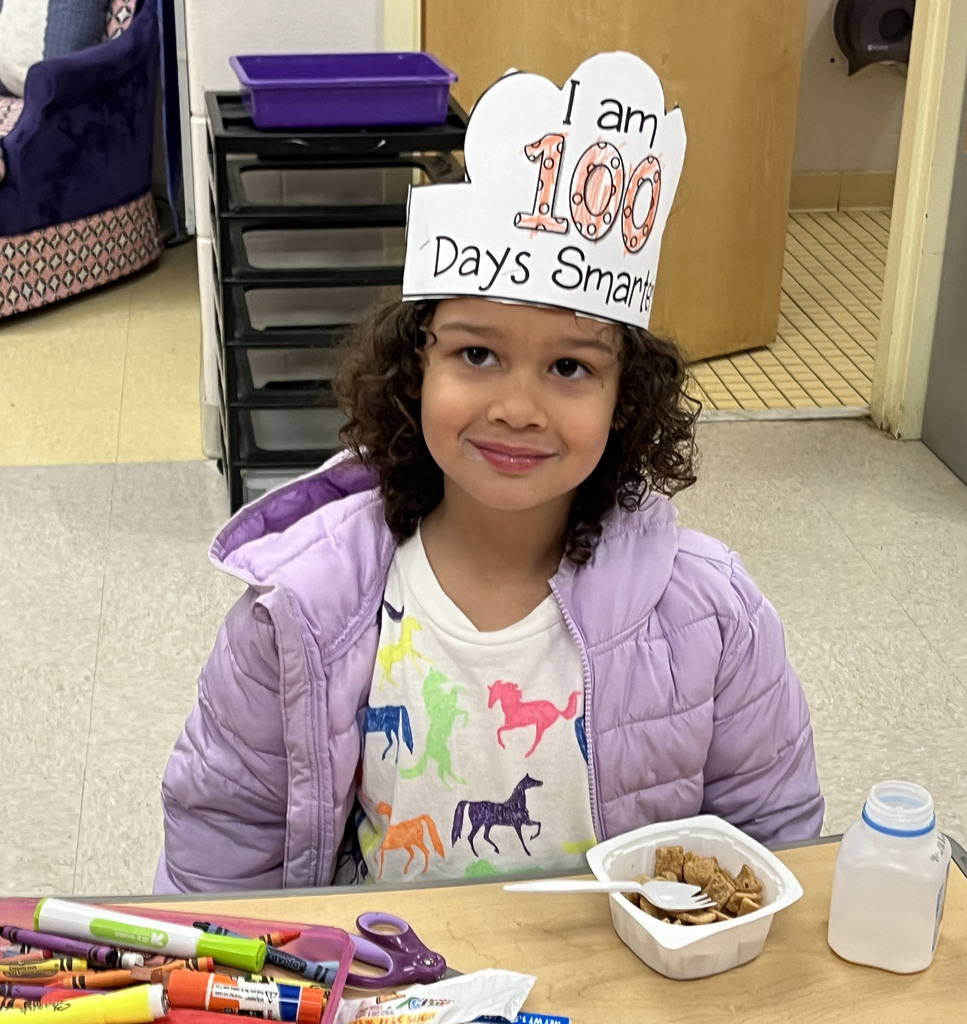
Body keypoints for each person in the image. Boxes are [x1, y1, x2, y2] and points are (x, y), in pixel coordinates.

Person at [154, 52, 824, 894]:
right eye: (476, 354)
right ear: (415, 366)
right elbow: (222, 848)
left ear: (625, 398)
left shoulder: (711, 616)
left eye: (570, 368)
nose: (516, 407)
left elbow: (771, 850)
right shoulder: (301, 610)